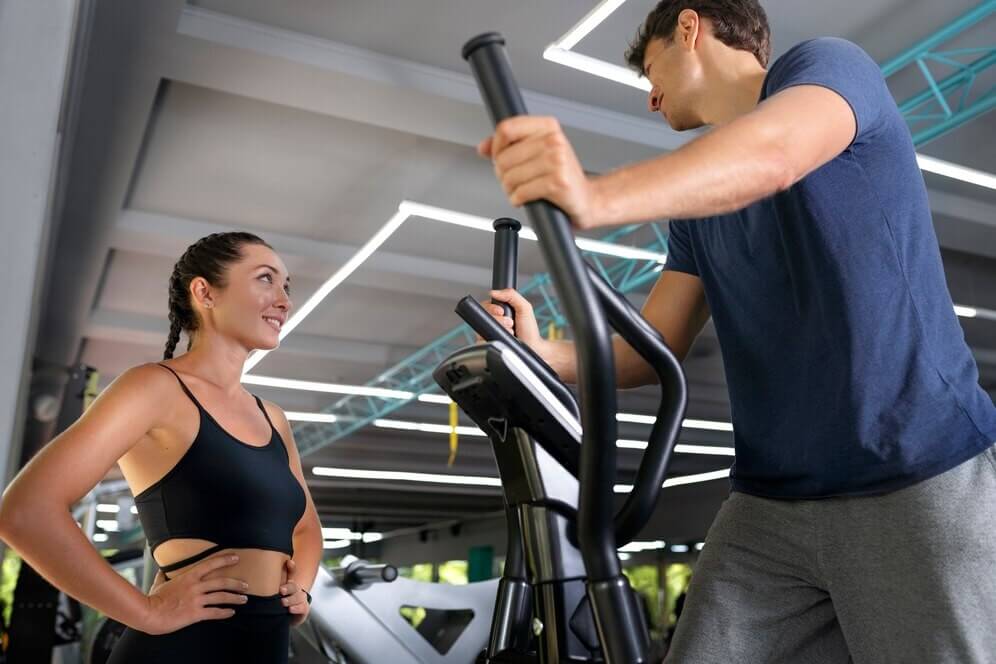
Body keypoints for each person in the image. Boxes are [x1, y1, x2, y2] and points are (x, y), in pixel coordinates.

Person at [478, 1, 996, 662]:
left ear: (689, 28)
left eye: (651, 70)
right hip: (771, 502)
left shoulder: (829, 68)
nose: (650, 98)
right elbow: (651, 348)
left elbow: (775, 154)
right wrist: (538, 351)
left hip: (916, 474)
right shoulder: (700, 211)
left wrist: (595, 195)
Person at [0, 232, 324, 663]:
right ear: (204, 292)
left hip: (265, 646)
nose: (284, 299)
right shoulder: (155, 387)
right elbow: (26, 511)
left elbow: (306, 528)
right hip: (183, 649)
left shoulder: (273, 416)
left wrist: (299, 587)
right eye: (266, 279)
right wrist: (146, 611)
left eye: (287, 286)